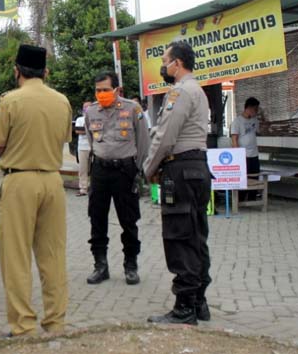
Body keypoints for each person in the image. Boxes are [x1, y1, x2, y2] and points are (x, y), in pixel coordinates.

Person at [0, 44, 72, 337]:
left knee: (16, 256)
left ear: (17, 71)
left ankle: (23, 325)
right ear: (45, 71)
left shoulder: (11, 101)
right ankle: (56, 322)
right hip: (53, 181)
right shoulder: (62, 101)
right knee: (53, 255)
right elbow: (63, 139)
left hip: (20, 181)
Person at [143, 41, 212, 326]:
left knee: (180, 237)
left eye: (165, 60)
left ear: (178, 63)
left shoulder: (180, 92)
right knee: (196, 236)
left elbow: (165, 136)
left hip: (181, 169)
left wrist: (148, 168)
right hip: (197, 168)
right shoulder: (199, 90)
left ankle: (184, 308)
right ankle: (198, 302)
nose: (163, 66)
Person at [84, 72, 149, 286]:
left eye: (105, 89)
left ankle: (131, 266)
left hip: (125, 171)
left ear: (116, 90)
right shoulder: (91, 111)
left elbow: (143, 142)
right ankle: (100, 266)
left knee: (128, 221)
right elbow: (91, 142)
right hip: (100, 171)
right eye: (98, 90)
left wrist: (137, 170)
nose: (101, 94)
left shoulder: (133, 109)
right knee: (97, 220)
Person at [231, 97, 261, 200]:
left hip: (254, 154)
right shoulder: (237, 121)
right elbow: (234, 139)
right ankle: (240, 200)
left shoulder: (255, 120)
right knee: (243, 178)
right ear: (249, 108)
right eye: (255, 109)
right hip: (243, 155)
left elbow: (256, 133)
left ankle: (252, 198)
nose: (256, 112)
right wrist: (238, 156)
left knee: (255, 177)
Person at [73, 102, 91, 197]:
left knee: (95, 169)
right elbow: (78, 130)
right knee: (83, 169)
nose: (86, 108)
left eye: (88, 107)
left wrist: (86, 130)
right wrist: (89, 130)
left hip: (94, 147)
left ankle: (94, 188)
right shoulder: (79, 119)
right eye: (85, 107)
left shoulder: (95, 117)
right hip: (82, 147)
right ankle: (83, 188)